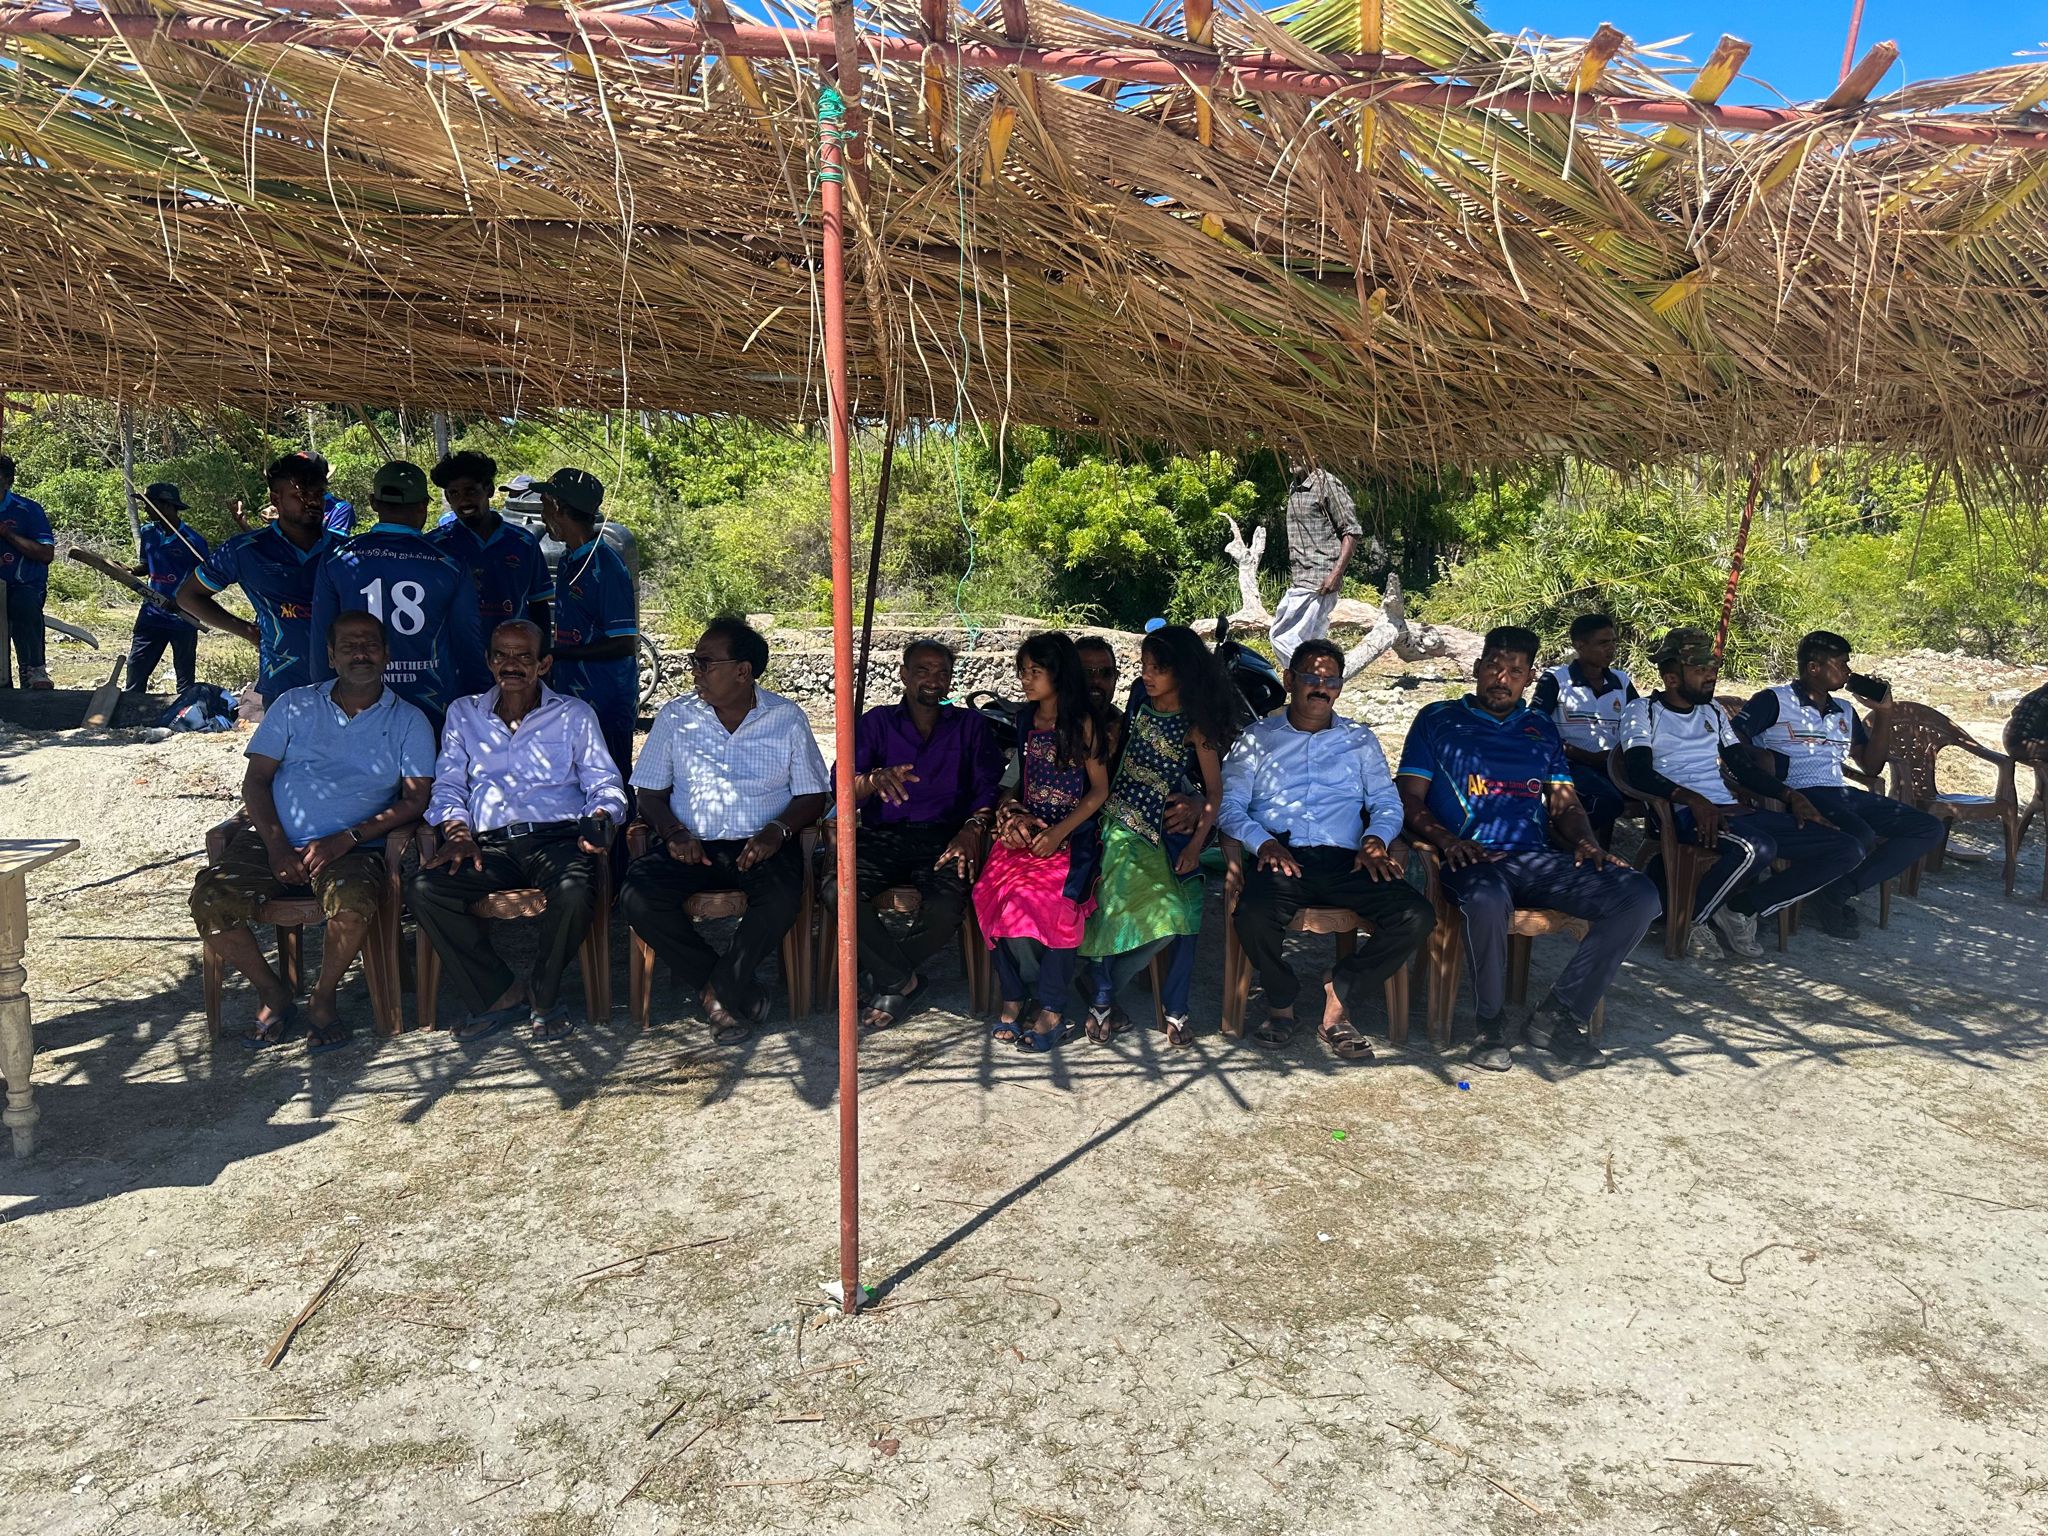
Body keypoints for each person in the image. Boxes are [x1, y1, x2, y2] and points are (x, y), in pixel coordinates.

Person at [1396, 625, 1659, 1072]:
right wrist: (1447, 841)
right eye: (1493, 667)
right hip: (1470, 859)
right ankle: (1490, 1024)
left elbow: (1564, 803)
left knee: (1639, 895)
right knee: (1487, 897)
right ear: (1477, 669)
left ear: (1529, 677)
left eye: (1515, 671)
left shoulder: (1540, 728)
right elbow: (1408, 797)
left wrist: (1586, 842)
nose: (1502, 679)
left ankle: (1558, 1016)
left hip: (1536, 860)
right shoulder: (1438, 719)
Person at [188, 613, 434, 1053]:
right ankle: (273, 992)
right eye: (349, 646)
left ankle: (323, 997)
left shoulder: (409, 720)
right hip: (275, 840)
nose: (360, 654)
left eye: (370, 645)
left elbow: (416, 800)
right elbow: (256, 781)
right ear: (331, 656)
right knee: (210, 900)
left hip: (354, 847)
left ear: (386, 654)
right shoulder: (294, 705)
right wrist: (277, 847)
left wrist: (347, 838)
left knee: (353, 903)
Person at [411, 621, 626, 1043]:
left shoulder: (573, 715)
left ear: (543, 664)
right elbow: (449, 785)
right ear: (489, 661)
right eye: (502, 655)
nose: (511, 665)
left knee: (574, 890)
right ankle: (500, 993)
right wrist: (456, 831)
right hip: (487, 844)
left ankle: (544, 993)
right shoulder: (464, 713)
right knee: (425, 889)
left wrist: (600, 816)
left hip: (556, 838)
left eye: (524, 656)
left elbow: (604, 783)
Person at [1221, 637, 1435, 1061]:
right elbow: (1229, 806)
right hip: (1282, 856)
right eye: (1311, 678)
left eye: (1331, 680)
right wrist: (1263, 843)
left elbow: (1386, 801)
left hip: (1349, 858)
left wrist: (1376, 838)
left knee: (1416, 915)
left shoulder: (1359, 739)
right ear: (1289, 681)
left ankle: (1340, 994)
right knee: (1253, 915)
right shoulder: (1257, 738)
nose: (1321, 687)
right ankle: (1281, 1002)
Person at [620, 617, 829, 1043]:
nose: (695, 672)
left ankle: (718, 992)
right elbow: (649, 795)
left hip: (761, 846)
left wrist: (777, 831)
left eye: (705, 663)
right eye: (694, 662)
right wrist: (673, 833)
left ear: (743, 670)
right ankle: (725, 989)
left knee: (781, 899)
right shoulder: (676, 717)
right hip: (691, 845)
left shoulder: (786, 718)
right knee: (637, 896)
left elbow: (813, 795)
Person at [1620, 626, 1865, 960]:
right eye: (1700, 670)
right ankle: (1691, 920)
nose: (1711, 677)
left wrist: (1791, 796)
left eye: (1712, 668)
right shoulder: (1642, 711)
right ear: (1672, 678)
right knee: (1756, 848)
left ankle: (1742, 908)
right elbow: (1638, 771)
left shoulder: (1713, 711)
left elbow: (1743, 768)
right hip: (1683, 814)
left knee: (1846, 848)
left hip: (1729, 811)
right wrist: (1692, 799)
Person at [1078, 625, 1234, 1049]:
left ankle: (1176, 1006)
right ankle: (1102, 995)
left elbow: (1215, 793)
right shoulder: (1139, 700)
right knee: (1112, 894)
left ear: (1182, 671)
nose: (1146, 675)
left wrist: (1197, 846)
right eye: (1144, 665)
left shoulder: (1195, 726)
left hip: (1164, 828)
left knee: (1187, 905)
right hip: (1117, 819)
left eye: (1158, 668)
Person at [1732, 631, 1944, 939]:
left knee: (1928, 828)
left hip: (1840, 792)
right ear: (1814, 667)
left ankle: (1836, 891)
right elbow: (1733, 738)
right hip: (1799, 793)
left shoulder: (1844, 710)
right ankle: (1788, 898)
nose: (1848, 671)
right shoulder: (1774, 700)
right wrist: (1762, 758)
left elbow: (1871, 766)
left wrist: (1884, 713)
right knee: (1861, 835)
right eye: (1842, 663)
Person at [847, 639, 1004, 1031]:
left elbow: (988, 787)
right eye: (923, 671)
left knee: (947, 904)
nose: (933, 680)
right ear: (903, 674)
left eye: (942, 673)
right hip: (882, 836)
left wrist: (973, 827)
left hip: (944, 838)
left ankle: (886, 976)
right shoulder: (877, 722)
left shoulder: (970, 726)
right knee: (839, 891)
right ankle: (902, 980)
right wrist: (873, 780)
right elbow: (841, 785)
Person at [972, 633, 1112, 1052]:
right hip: (1029, 831)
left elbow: (1099, 791)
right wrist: (1011, 814)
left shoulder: (1084, 723)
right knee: (989, 892)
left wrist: (1059, 831)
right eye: (1023, 671)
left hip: (1072, 833)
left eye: (1036, 671)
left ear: (1059, 674)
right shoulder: (1024, 720)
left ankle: (1052, 1006)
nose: (1026, 679)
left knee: (1058, 906)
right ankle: (1013, 995)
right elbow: (1021, 782)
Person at [309, 460, 489, 730]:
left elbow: (322, 640)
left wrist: (323, 704)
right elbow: (468, 642)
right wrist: (481, 701)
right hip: (433, 704)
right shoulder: (449, 563)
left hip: (357, 700)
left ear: (373, 502)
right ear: (424, 505)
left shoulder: (337, 558)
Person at [180, 453, 343, 705]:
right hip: (282, 685)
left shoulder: (346, 550)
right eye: (301, 495)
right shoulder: (245, 550)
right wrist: (247, 631)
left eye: (319, 494)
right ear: (276, 499)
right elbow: (188, 596)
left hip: (346, 685)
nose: (312, 501)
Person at [538, 468, 638, 780]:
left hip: (606, 697)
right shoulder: (569, 559)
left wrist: (559, 654)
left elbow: (624, 642)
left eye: (544, 505)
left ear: (557, 507)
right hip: (572, 695)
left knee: (611, 776)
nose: (541, 515)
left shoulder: (605, 566)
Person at [1530, 613, 1636, 845]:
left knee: (1662, 793)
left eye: (1613, 642)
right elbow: (1534, 728)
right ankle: (1557, 837)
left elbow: (1638, 724)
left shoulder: (1621, 682)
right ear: (1580, 646)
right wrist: (1584, 756)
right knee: (1606, 800)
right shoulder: (1557, 680)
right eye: (1603, 643)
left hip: (1613, 765)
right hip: (1569, 764)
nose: (1611, 648)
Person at [428, 449, 552, 638]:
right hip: (456, 653)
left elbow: (538, 603)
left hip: (512, 652)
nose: (463, 500)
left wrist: (542, 649)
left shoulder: (524, 542)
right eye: (454, 493)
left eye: (470, 490)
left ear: (489, 490)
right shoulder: (435, 545)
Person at [1270, 457, 1362, 669]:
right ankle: (1314, 682)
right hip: (1302, 577)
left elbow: (1351, 531)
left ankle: (1307, 678)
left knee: (1283, 638)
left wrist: (1336, 573)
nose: (1291, 456)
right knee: (1309, 644)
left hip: (1319, 578)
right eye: (1288, 449)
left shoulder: (1328, 484)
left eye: (1298, 448)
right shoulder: (1296, 487)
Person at [125, 483, 209, 694]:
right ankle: (131, 706)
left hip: (183, 617)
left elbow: (207, 579)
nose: (145, 509)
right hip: (151, 613)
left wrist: (181, 599)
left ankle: (183, 707)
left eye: (149, 504)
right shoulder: (148, 532)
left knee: (184, 676)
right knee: (136, 667)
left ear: (167, 506)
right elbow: (146, 566)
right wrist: (130, 571)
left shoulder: (193, 541)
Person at [0, 454, 56, 689]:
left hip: (23, 583)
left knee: (24, 604)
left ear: (7, 481)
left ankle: (34, 669)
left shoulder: (28, 510)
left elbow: (46, 554)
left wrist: (7, 533)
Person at [2008, 680, 2048, 765]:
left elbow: (2015, 712)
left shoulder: (2039, 693)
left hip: (2013, 741)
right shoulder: (2042, 697)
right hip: (2021, 745)